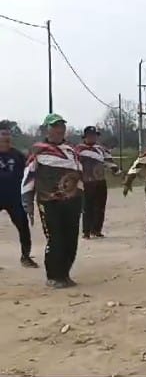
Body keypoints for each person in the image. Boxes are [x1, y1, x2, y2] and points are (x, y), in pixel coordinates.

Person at [22, 114, 83, 288]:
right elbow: (28, 176)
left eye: (61, 126)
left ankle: (65, 274)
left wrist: (81, 197)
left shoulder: (71, 150)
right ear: (47, 129)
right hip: (49, 202)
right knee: (56, 239)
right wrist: (27, 202)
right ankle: (54, 276)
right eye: (55, 126)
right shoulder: (38, 150)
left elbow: (79, 174)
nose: (59, 130)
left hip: (72, 201)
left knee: (71, 239)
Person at [0, 122, 36, 268]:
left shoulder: (17, 155)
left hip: (14, 198)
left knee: (23, 227)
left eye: (8, 137)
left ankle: (25, 257)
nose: (6, 140)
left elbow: (28, 171)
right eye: (3, 137)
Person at [76, 126, 120, 239]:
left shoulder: (101, 149)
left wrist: (116, 170)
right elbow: (74, 164)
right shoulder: (79, 150)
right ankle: (86, 231)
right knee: (87, 207)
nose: (93, 137)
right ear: (85, 137)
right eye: (90, 135)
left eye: (95, 135)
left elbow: (108, 161)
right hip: (87, 182)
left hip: (100, 181)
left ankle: (96, 230)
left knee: (100, 207)